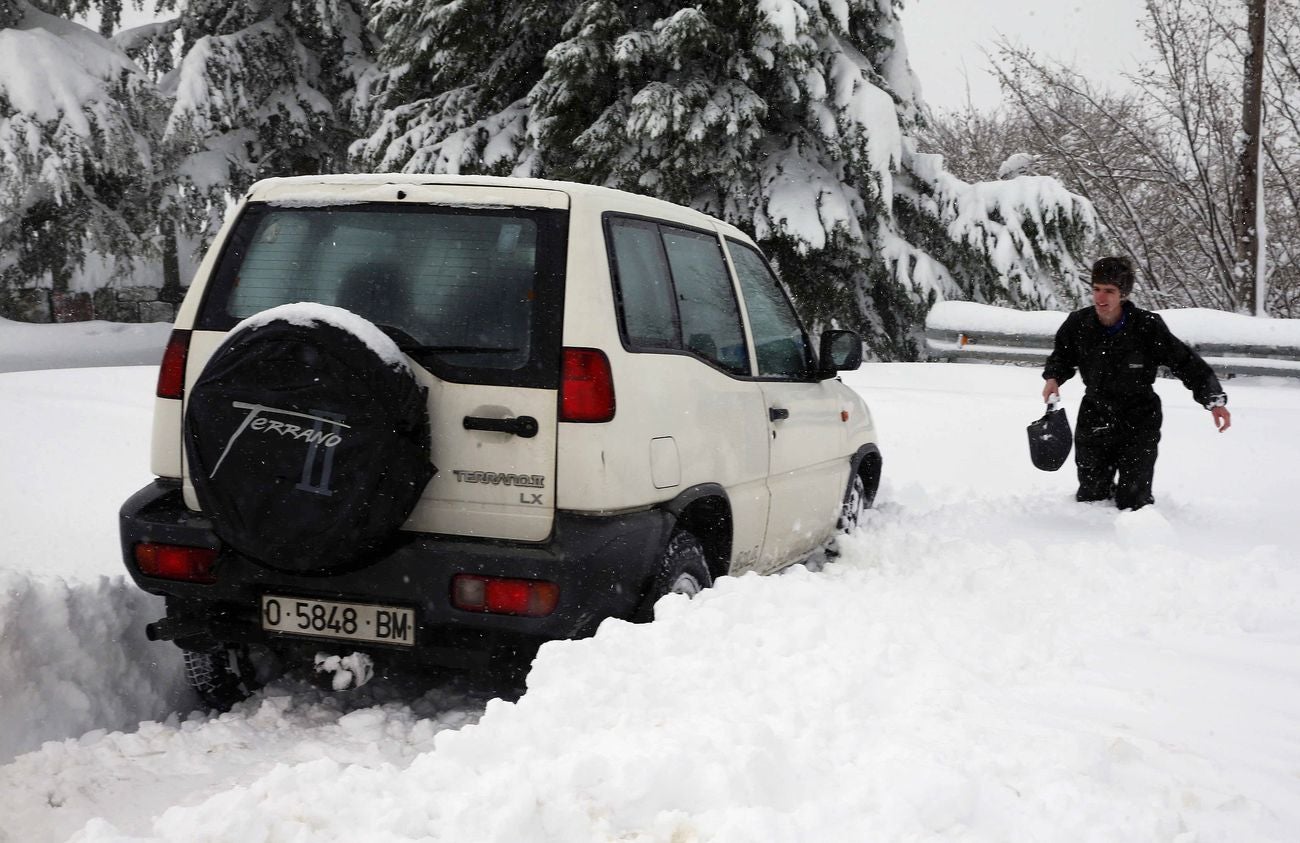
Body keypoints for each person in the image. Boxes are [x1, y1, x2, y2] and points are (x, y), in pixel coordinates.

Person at [1042, 256, 1231, 510]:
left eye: (1109, 291)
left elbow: (1185, 362)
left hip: (1139, 418)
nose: (1100, 298)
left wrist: (1213, 399)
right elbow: (1062, 356)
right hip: (1095, 414)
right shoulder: (1079, 324)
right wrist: (1054, 377)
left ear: (1123, 294)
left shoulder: (1146, 326)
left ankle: (1136, 541)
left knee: (1133, 500)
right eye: (1096, 289)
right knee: (1091, 498)